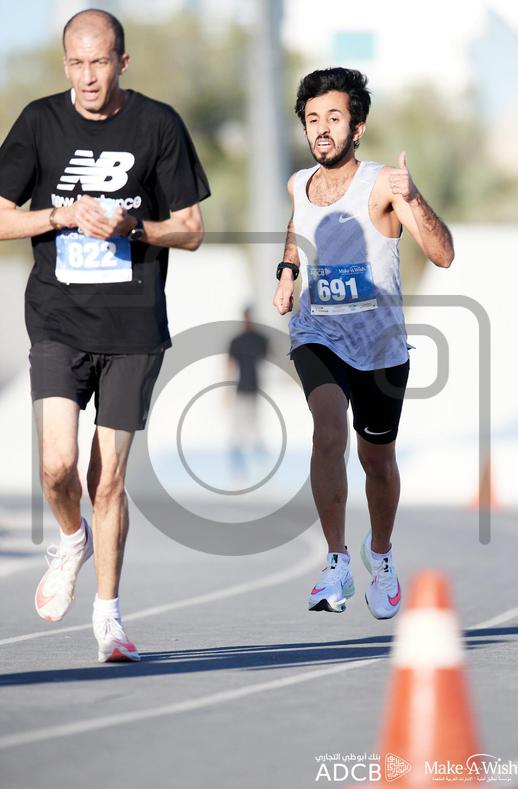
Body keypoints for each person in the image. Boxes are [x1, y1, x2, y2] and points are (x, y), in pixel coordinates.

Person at [0, 9, 210, 662]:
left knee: (108, 480)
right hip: (58, 319)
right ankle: (72, 539)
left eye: (99, 63)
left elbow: (192, 228)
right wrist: (58, 215)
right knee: (56, 465)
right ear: (65, 63)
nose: (88, 77)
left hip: (133, 328)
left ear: (122, 62)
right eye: (76, 63)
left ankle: (109, 617)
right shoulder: (39, 122)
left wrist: (133, 228)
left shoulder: (157, 124)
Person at [273, 68, 453, 619]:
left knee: (377, 460)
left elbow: (443, 255)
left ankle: (381, 554)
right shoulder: (298, 183)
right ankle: (336, 560)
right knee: (327, 433)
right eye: (312, 119)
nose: (322, 129)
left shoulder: (381, 185)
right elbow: (297, 224)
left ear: (357, 129)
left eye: (334, 117)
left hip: (379, 348)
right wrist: (287, 270)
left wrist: (413, 196)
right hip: (318, 333)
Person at [227, 307, 269, 473]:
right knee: (238, 429)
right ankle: (239, 467)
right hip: (241, 390)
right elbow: (230, 366)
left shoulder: (260, 339)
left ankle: (261, 466)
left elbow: (268, 363)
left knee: (255, 427)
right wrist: (227, 392)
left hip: (256, 390)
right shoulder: (237, 341)